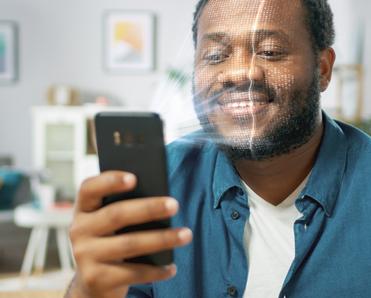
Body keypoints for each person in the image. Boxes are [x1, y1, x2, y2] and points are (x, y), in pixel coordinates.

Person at [65, 0, 371, 297]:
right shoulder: (159, 185)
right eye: (214, 56)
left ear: (323, 69)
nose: (239, 73)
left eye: (270, 51)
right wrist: (87, 291)